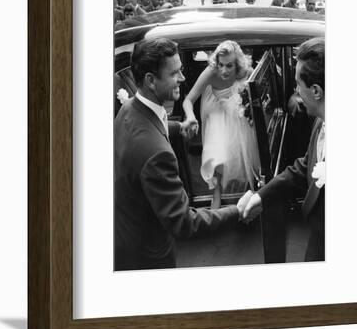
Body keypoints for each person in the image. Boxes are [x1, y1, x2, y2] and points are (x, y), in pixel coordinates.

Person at [114, 38, 239, 271]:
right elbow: (184, 223)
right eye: (175, 73)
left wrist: (177, 128)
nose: (182, 78)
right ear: (151, 80)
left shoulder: (129, 108)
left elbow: (152, 126)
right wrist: (236, 211)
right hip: (148, 257)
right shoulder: (156, 154)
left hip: (126, 233)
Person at [237, 37, 325, 261]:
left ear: (316, 91)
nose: (296, 91)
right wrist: (261, 196)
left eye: (298, 84)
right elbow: (305, 165)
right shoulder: (320, 121)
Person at [183, 40, 260, 209]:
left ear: (237, 64)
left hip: (237, 110)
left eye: (229, 66)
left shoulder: (246, 71)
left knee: (244, 151)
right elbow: (188, 100)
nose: (224, 70)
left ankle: (251, 192)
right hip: (215, 109)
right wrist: (190, 116)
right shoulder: (211, 71)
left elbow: (259, 89)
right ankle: (216, 193)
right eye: (221, 65)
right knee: (217, 154)